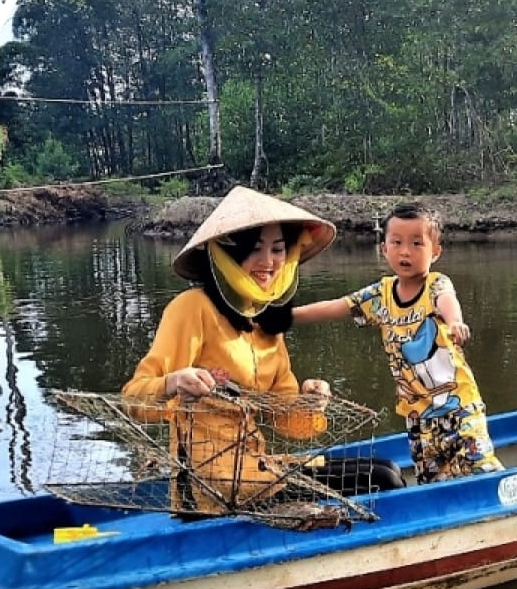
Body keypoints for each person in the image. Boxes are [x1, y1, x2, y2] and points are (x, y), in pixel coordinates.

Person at [122, 186, 400, 510]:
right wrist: (171, 382)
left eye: (278, 250)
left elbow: (285, 420)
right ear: (228, 254)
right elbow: (132, 398)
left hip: (256, 467)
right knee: (383, 481)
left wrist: (311, 401)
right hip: (211, 487)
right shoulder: (191, 308)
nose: (268, 262)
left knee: (386, 467)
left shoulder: (265, 324)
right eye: (254, 249)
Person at [294, 202, 503, 483]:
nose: (406, 251)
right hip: (417, 416)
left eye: (417, 244)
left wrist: (454, 322)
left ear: (435, 252)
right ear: (384, 249)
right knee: (432, 479)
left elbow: (447, 301)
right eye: (397, 242)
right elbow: (337, 306)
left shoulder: (436, 285)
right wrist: (285, 317)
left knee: (480, 469)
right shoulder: (380, 296)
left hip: (459, 406)